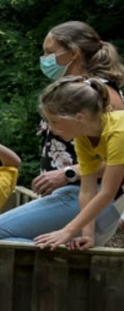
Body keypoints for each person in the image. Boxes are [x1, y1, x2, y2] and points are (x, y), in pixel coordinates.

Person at [0, 21, 124, 242]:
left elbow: (112, 174)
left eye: (49, 52)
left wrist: (68, 173)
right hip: (77, 195)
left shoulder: (105, 104)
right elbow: (89, 185)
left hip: (85, 196)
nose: (44, 59)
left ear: (73, 53)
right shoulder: (81, 128)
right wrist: (88, 235)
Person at [33, 78, 124, 250]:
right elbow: (87, 189)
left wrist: (68, 231)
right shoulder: (82, 136)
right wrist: (87, 235)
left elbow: (107, 192)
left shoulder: (119, 133)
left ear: (79, 117)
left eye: (54, 121)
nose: (51, 129)